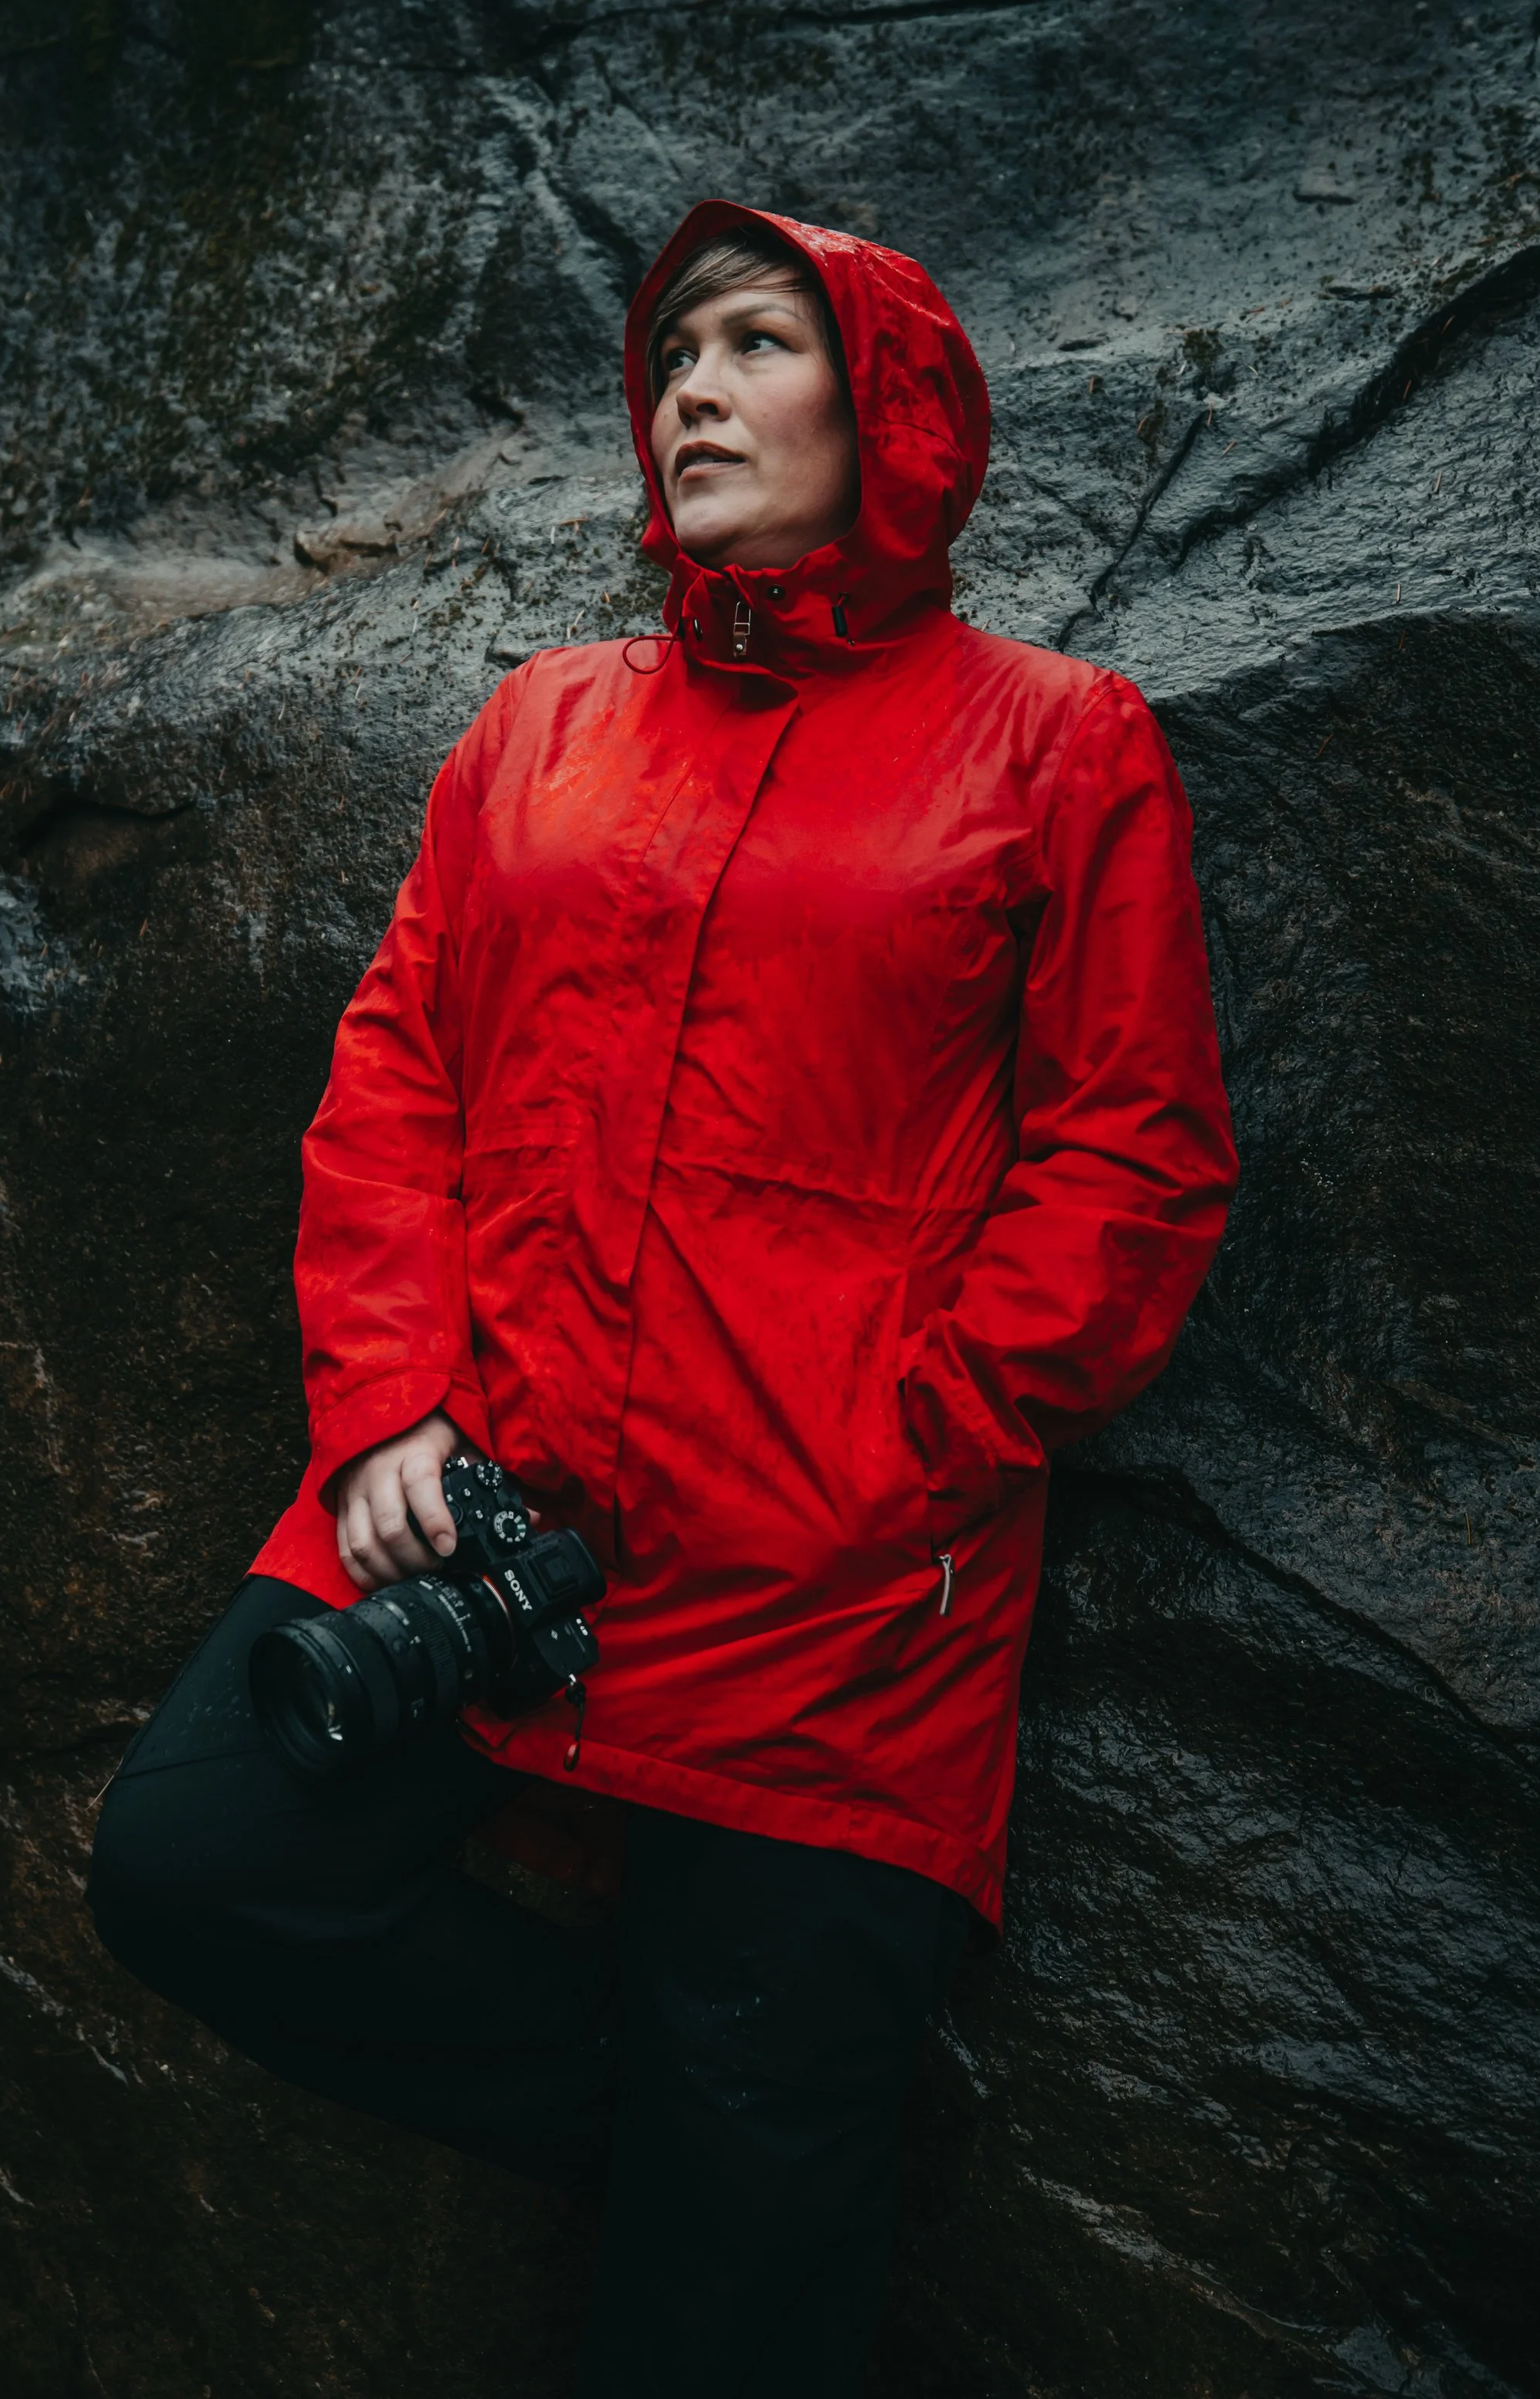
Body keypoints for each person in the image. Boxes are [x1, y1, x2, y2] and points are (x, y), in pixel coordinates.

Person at [88, 201, 1238, 2396]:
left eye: (753, 343)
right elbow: (394, 1068)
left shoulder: (1055, 741)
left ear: (885, 404)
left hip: (831, 1610)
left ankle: (752, 2178)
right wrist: (389, 1407)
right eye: (669, 354)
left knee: (714, 2338)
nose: (688, 388)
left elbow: (1135, 1154)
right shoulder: (536, 728)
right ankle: (736, 2143)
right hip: (477, 1518)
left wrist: (915, 1440)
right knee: (187, 1863)